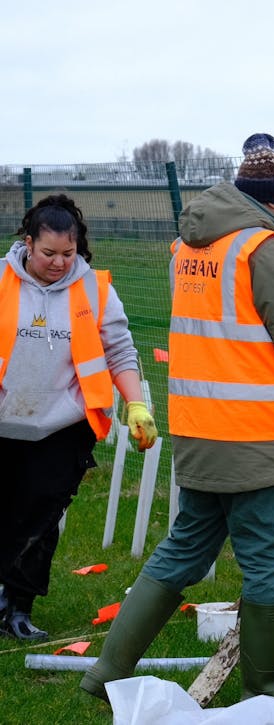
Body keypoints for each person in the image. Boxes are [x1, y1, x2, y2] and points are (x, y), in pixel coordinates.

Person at [83, 133, 274, 701]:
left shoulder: (189, 247)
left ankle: (105, 675)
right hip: (257, 437)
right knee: (270, 564)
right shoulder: (263, 249)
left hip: (199, 430)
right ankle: (267, 689)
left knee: (183, 550)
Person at [1, 195, 156, 642]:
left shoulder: (95, 290)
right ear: (27, 244)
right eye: (48, 253)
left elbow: (119, 350)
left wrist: (136, 402)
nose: (58, 263)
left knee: (43, 517)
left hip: (65, 425)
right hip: (4, 419)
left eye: (68, 254)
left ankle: (18, 608)